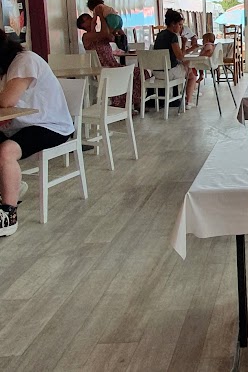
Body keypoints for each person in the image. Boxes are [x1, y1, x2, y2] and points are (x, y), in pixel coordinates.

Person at [0, 30, 74, 236]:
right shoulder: (10, 66)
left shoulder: (25, 61)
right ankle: (12, 183)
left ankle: (9, 215)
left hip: (51, 125)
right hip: (23, 124)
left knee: (6, 151)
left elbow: (7, 101)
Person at [77, 12, 143, 109]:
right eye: (87, 19)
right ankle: (124, 104)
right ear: (82, 25)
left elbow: (112, 37)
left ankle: (133, 102)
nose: (92, 19)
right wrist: (102, 17)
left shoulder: (100, 34)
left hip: (113, 65)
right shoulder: (87, 36)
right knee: (133, 73)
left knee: (140, 72)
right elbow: (104, 34)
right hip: (104, 68)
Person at [153, 9, 196, 110]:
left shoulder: (159, 35)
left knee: (183, 66)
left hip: (156, 72)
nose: (181, 28)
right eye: (180, 25)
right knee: (192, 75)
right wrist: (185, 44)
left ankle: (179, 97)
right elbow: (180, 56)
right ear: (173, 24)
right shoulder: (173, 37)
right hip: (168, 72)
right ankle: (188, 101)